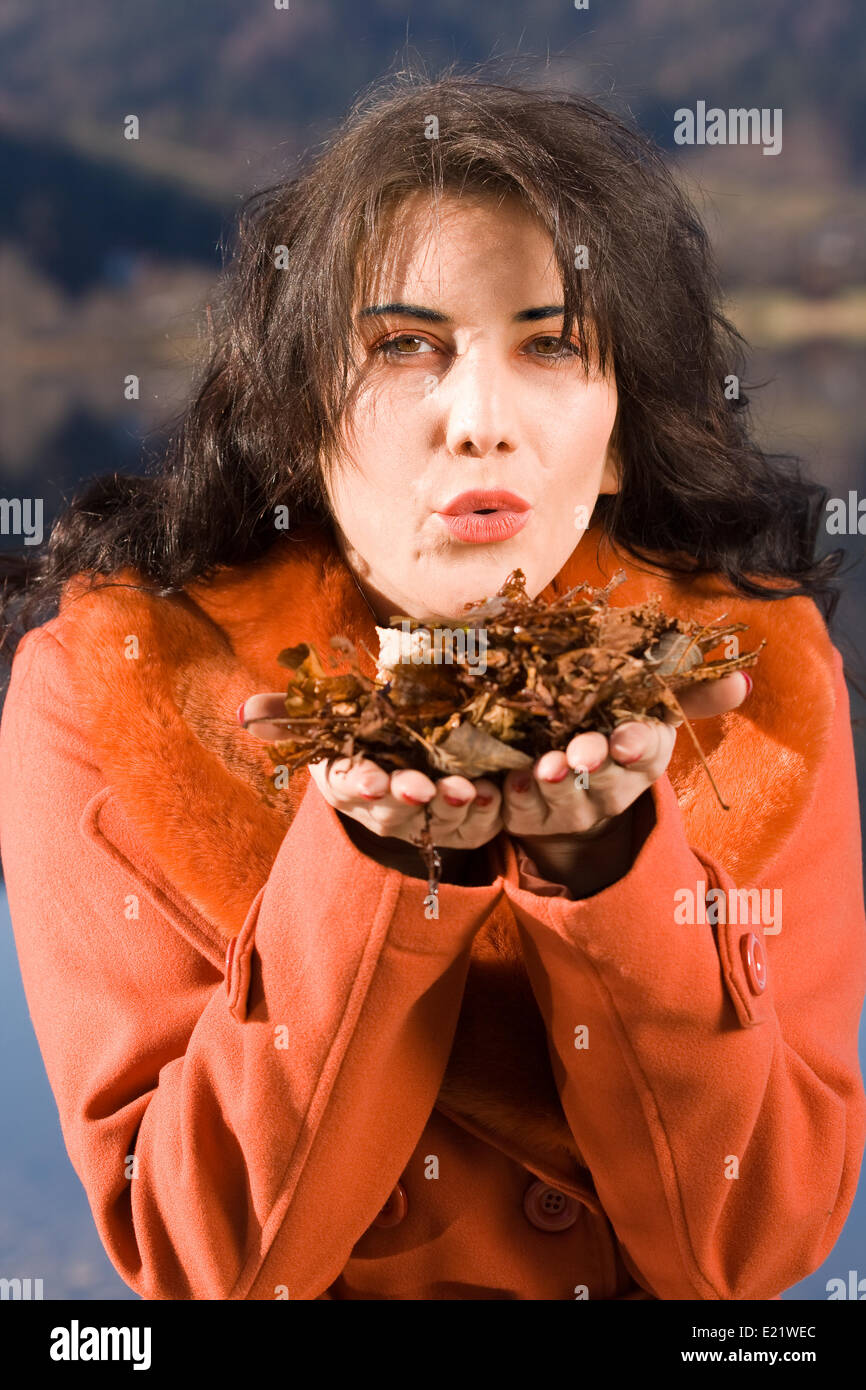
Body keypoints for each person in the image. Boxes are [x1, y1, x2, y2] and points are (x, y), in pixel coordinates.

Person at [0, 72, 863, 1302]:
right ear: (298, 409)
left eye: (551, 343)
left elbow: (743, 1258)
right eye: (405, 345)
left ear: (619, 432)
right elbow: (208, 1269)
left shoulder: (759, 683)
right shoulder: (109, 694)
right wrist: (370, 868)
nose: (478, 418)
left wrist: (612, 875)